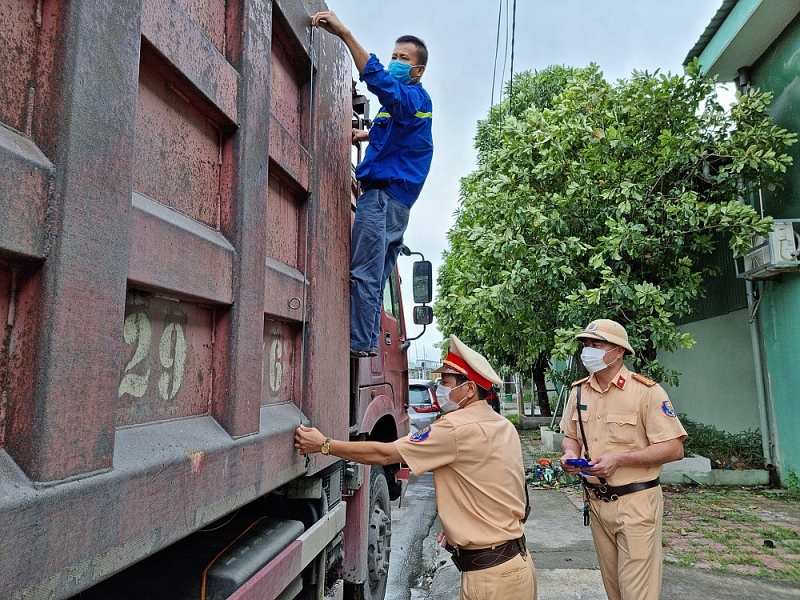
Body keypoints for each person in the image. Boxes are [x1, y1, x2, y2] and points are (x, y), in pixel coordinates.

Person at [295, 335, 537, 600]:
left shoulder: (455, 428)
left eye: (445, 382)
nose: (439, 387)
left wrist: (324, 445)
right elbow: (506, 488)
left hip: (491, 579)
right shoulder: (503, 425)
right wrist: (465, 520)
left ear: (469, 389)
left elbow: (384, 453)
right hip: (516, 566)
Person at [310, 11, 434, 358]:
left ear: (417, 70)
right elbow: (392, 131)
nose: (395, 62)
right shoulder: (405, 110)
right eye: (393, 56)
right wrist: (364, 133)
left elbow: (378, 81)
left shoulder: (413, 99)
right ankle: (365, 341)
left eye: (402, 59)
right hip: (396, 204)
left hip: (382, 199)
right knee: (376, 278)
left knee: (364, 274)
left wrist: (345, 33)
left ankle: (359, 343)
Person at [559, 319, 687, 600]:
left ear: (618, 352)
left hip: (636, 503)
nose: (588, 350)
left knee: (637, 590)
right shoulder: (578, 391)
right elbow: (571, 437)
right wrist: (570, 455)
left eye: (597, 344)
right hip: (596, 501)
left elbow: (674, 448)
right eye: (586, 344)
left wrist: (620, 459)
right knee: (613, 587)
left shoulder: (646, 392)